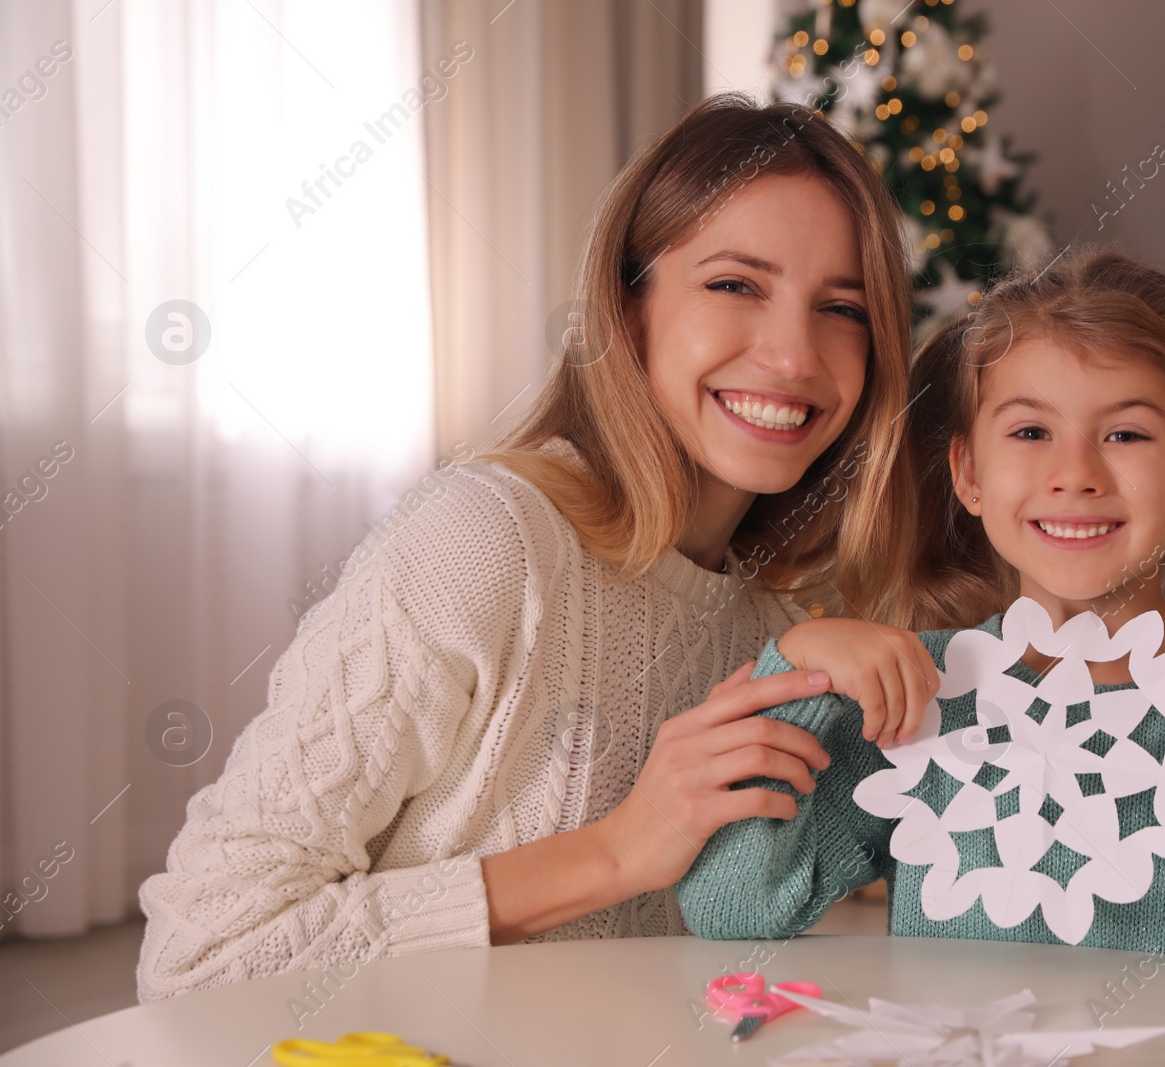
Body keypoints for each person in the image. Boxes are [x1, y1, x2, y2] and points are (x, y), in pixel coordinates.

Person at [135, 93, 938, 1001]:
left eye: (843, 308)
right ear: (627, 308)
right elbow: (203, 951)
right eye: (734, 284)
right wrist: (611, 852)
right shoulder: (484, 542)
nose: (795, 355)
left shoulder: (774, 623)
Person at [676, 245, 1165, 989]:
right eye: (1031, 433)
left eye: (1125, 434)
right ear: (968, 473)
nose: (1076, 475)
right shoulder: (916, 699)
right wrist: (799, 667)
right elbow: (730, 905)